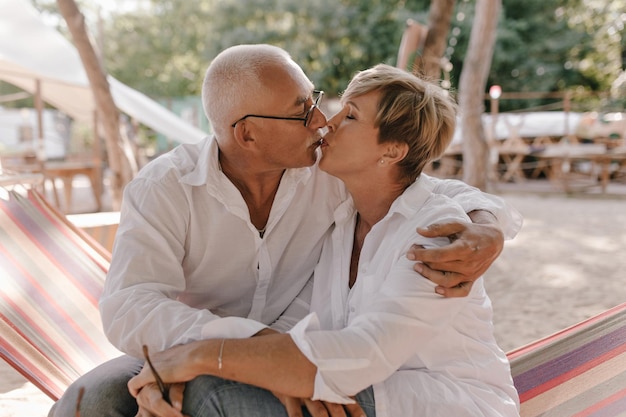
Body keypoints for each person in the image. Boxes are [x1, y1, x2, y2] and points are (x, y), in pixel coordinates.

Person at [49, 45, 521, 417]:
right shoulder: (167, 188)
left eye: (318, 102)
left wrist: (488, 226)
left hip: (364, 371)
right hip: (223, 345)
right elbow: (129, 307)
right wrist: (239, 354)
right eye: (302, 111)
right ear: (247, 135)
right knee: (92, 400)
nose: (321, 122)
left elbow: (425, 190)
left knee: (209, 397)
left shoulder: (333, 178)